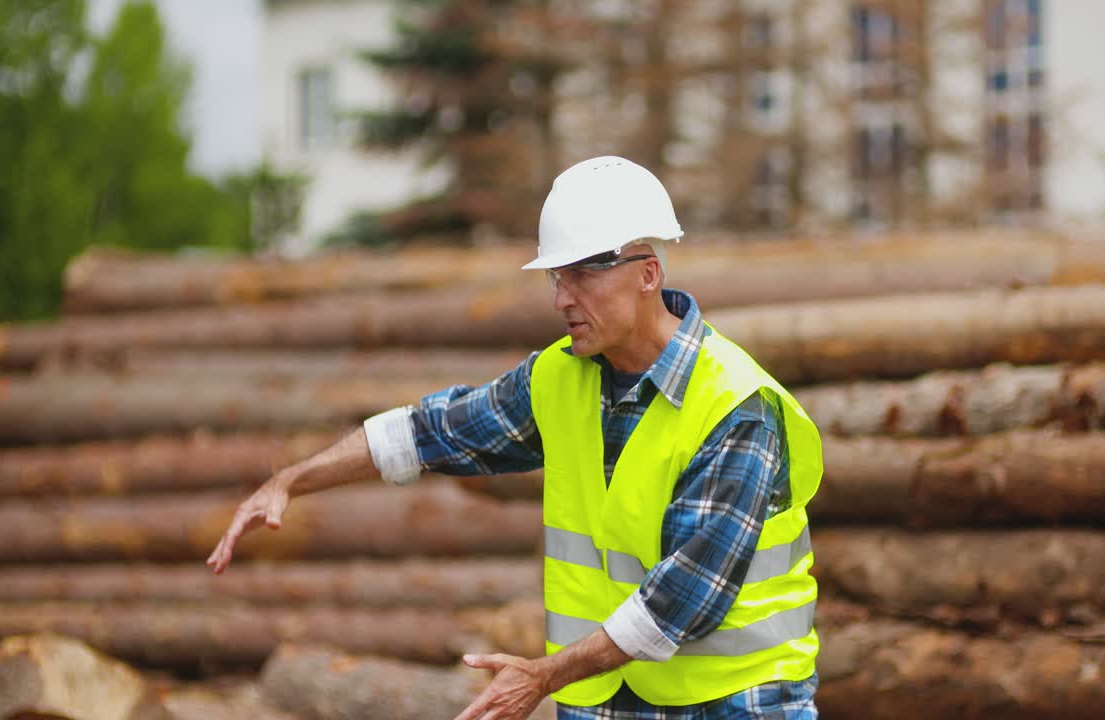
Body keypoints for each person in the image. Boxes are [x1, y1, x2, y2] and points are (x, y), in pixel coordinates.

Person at [206, 156, 823, 719]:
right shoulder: (560, 378)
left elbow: (683, 599)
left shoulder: (734, 407)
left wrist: (543, 676)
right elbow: (429, 432)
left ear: (647, 274)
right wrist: (290, 480)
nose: (562, 298)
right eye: (556, 278)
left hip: (741, 700)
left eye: (582, 274)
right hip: (603, 698)